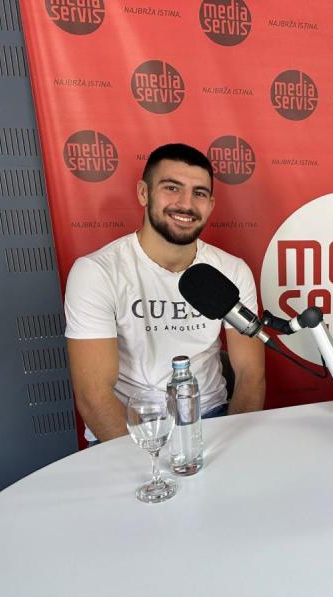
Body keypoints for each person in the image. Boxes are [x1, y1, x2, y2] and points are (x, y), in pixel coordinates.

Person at [65, 143, 265, 443]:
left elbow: (251, 373)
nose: (186, 204)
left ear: (211, 205)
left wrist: (234, 446)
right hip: (132, 425)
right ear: (143, 193)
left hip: (211, 418)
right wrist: (148, 461)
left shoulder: (232, 270)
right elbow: (93, 395)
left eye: (199, 193)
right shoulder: (96, 272)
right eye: (172, 188)